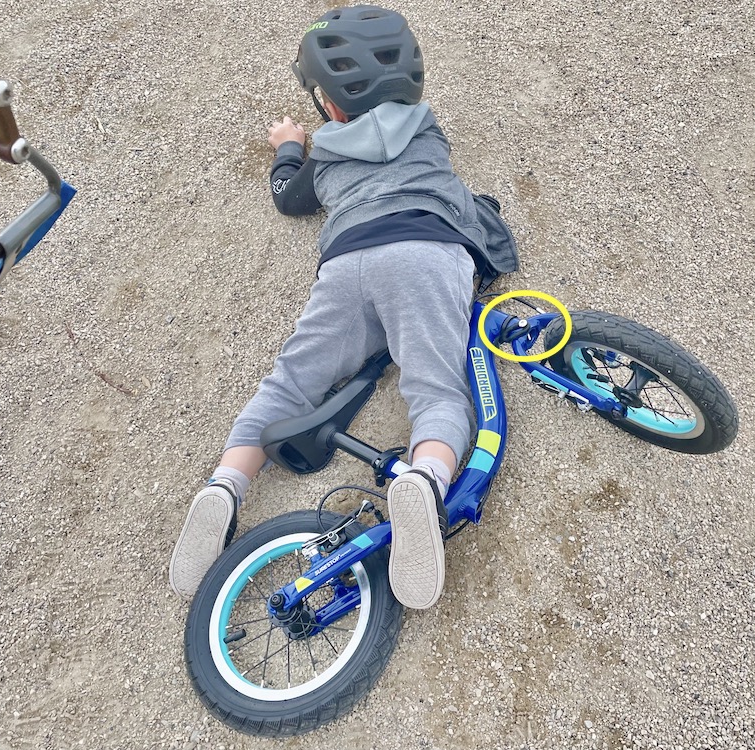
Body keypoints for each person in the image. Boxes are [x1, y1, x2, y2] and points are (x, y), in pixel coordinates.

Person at [168, 5, 517, 609]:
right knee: (435, 390)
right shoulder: (429, 130)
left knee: (289, 383)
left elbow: (289, 199)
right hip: (425, 251)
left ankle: (226, 483)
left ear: (328, 107)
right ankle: (424, 480)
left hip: (349, 263)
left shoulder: (324, 152)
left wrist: (288, 148)